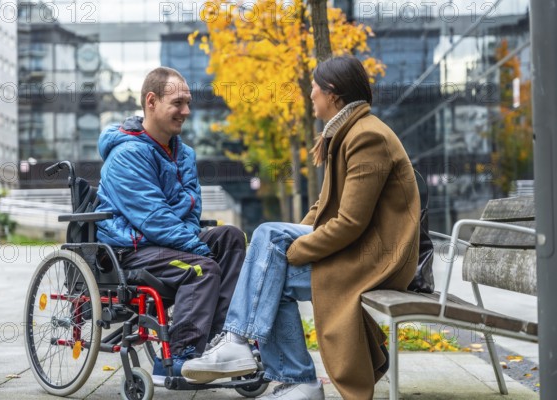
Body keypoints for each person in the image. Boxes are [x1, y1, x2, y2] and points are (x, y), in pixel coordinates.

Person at [181, 56, 420, 400]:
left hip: (380, 259)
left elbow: (350, 223)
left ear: (333, 94)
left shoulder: (367, 137)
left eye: (314, 89)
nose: (310, 96)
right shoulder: (347, 131)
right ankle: (297, 382)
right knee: (270, 271)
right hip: (362, 251)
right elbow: (321, 210)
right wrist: (279, 250)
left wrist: (288, 249)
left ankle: (242, 345)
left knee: (267, 243)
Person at [94, 67, 245, 385]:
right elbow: (153, 219)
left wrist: (198, 241)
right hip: (133, 248)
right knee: (202, 268)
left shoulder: (183, 154)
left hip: (165, 243)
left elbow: (190, 210)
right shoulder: (126, 155)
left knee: (230, 238)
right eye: (178, 103)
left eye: (188, 103)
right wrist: (199, 248)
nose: (186, 111)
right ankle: (175, 357)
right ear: (151, 101)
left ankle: (218, 345)